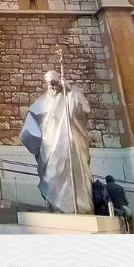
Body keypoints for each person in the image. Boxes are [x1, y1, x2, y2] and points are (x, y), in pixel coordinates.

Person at [19, 69, 93, 214]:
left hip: (73, 146)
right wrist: (37, 146)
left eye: (55, 83)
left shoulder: (71, 96)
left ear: (60, 82)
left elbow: (83, 110)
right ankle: (56, 206)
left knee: (75, 176)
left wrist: (71, 90)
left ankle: (78, 207)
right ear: (46, 84)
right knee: (52, 178)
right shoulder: (40, 103)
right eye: (50, 84)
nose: (53, 87)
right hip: (50, 147)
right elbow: (29, 131)